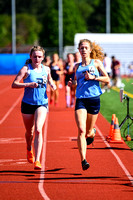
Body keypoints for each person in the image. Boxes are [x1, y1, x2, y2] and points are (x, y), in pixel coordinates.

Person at [12, 46, 56, 170]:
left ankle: (37, 160)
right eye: (35, 56)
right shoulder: (26, 69)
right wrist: (28, 84)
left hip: (42, 103)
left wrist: (52, 84)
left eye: (39, 56)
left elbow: (50, 79)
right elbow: (14, 84)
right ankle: (28, 147)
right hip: (27, 104)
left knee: (38, 130)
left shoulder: (46, 69)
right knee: (29, 132)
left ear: (43, 58)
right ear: (30, 57)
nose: (37, 59)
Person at [68, 39, 109, 170]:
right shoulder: (76, 66)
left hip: (94, 99)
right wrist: (72, 84)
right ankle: (83, 160)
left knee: (88, 131)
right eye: (81, 48)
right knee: (81, 130)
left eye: (86, 48)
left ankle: (92, 132)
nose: (84, 50)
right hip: (81, 99)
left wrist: (94, 78)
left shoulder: (96, 63)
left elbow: (107, 79)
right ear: (79, 50)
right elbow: (76, 82)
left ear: (90, 50)